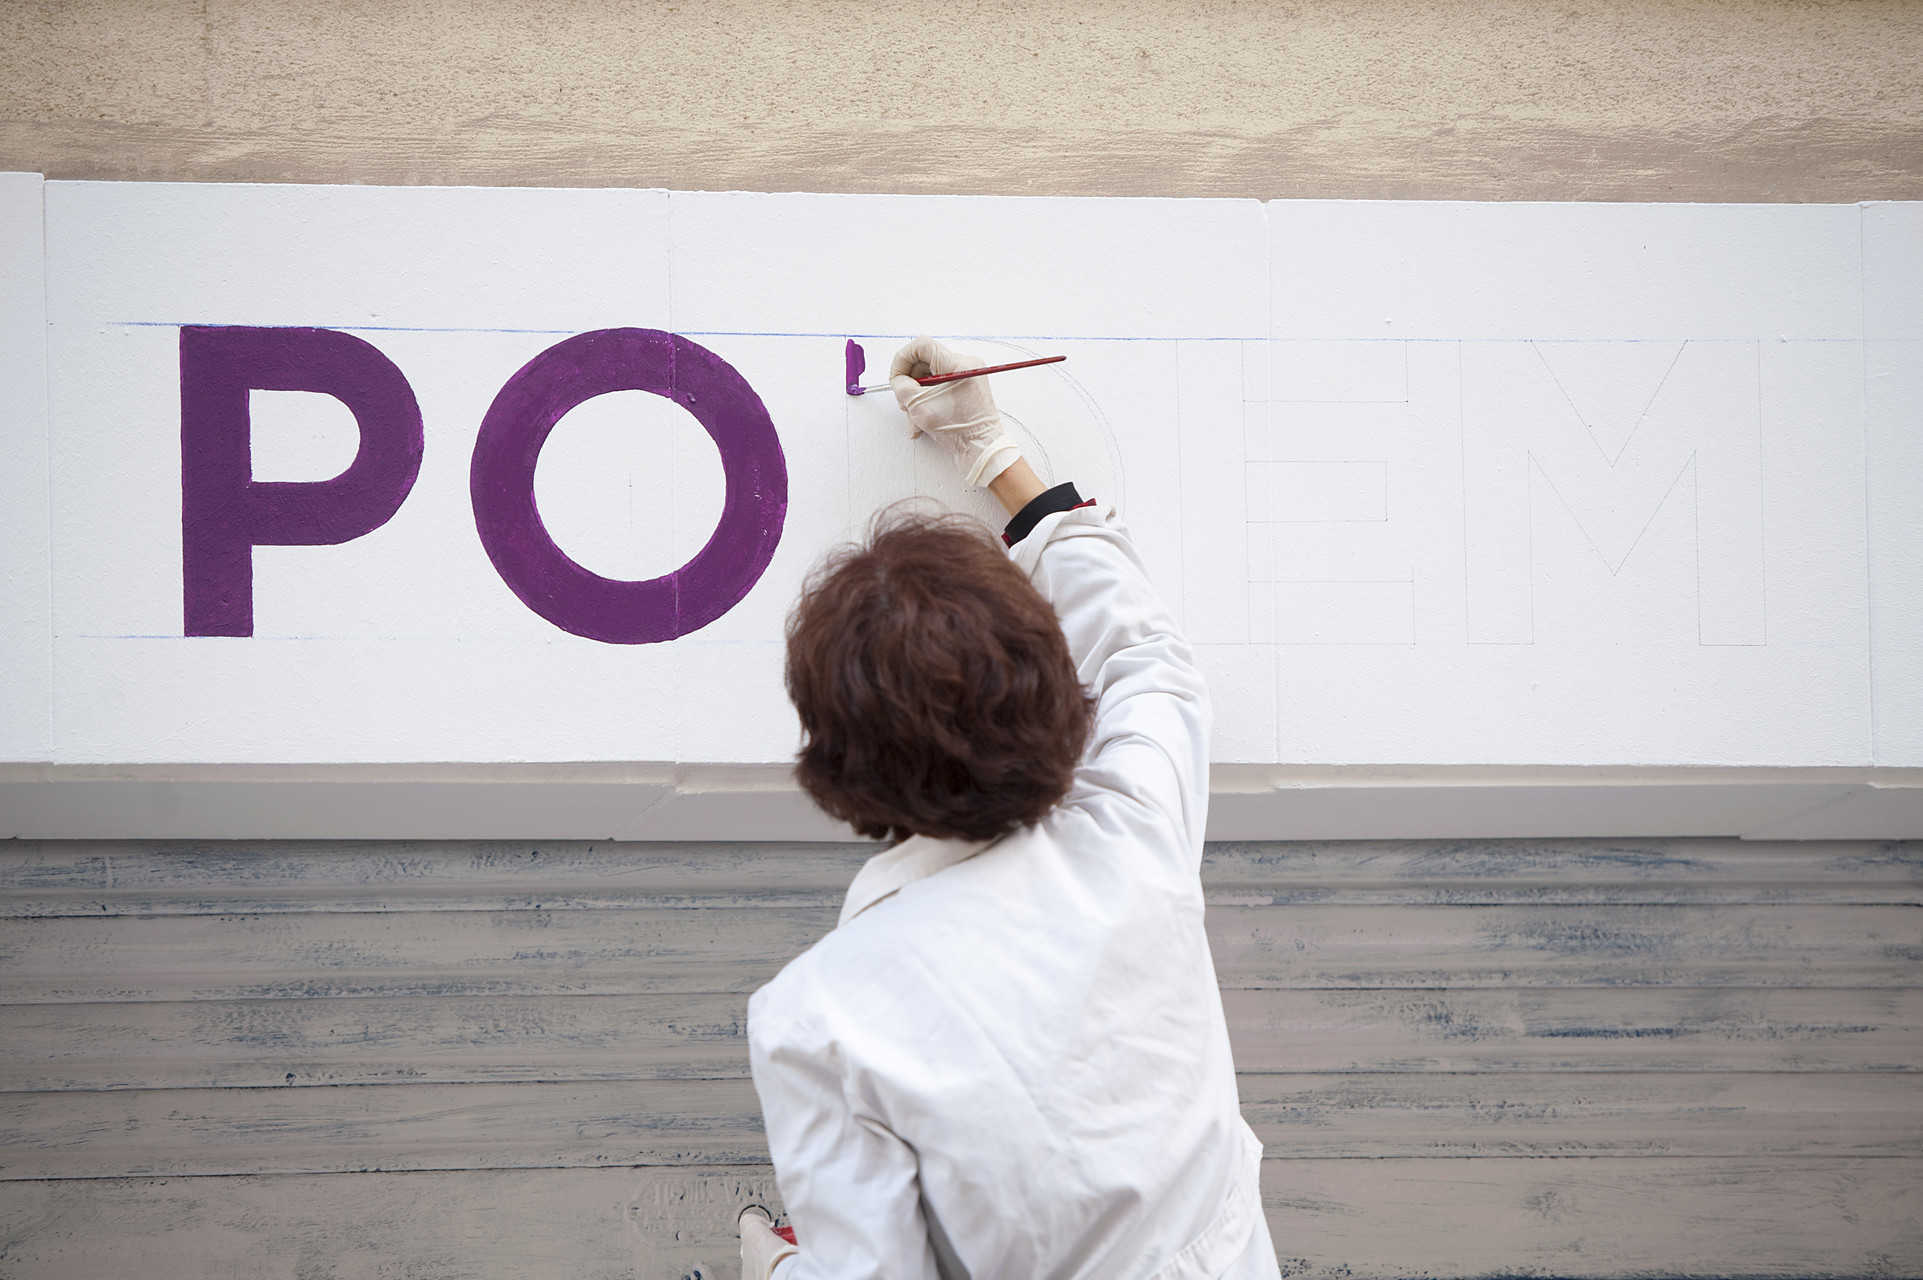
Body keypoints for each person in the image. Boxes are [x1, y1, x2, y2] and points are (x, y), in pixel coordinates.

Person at [738, 336, 1278, 1280]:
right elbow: (1148, 659)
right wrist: (996, 459)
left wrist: (777, 1271)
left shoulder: (817, 1021)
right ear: (1054, 683)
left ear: (835, 763)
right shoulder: (1133, 833)